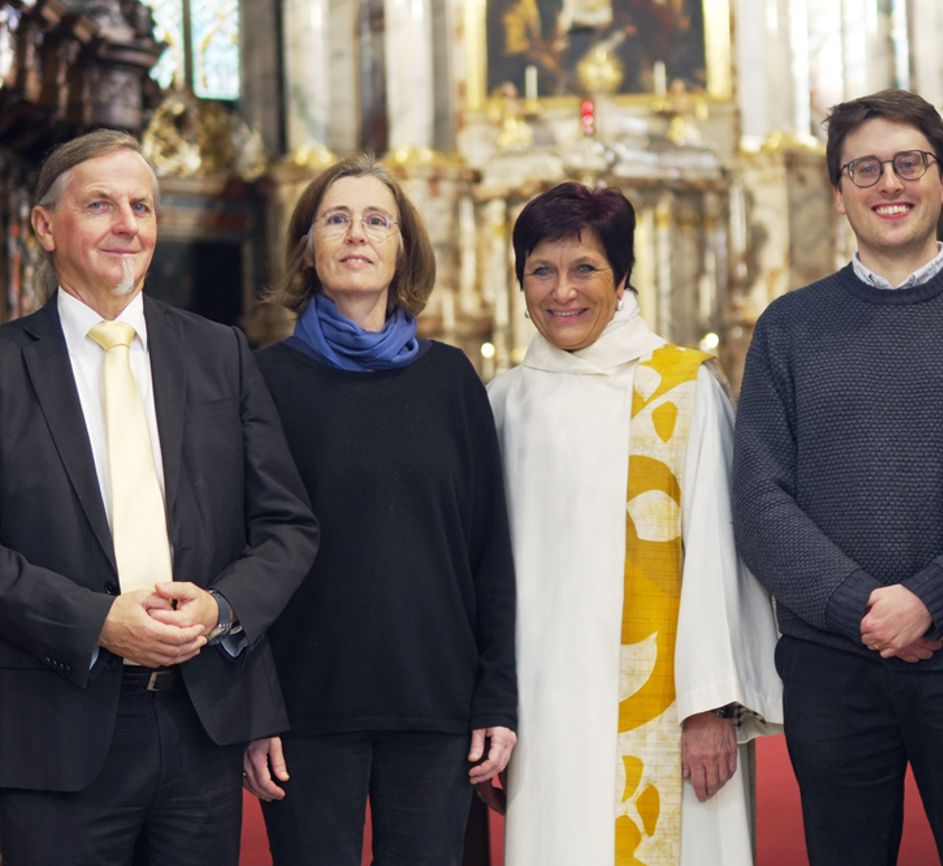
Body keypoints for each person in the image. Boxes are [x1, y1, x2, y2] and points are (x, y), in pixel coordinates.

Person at [732, 90, 943, 866]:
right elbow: (760, 497)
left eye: (910, 163)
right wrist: (863, 610)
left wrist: (930, 601)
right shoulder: (789, 326)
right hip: (834, 664)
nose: (889, 183)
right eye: (864, 168)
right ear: (837, 192)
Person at [0, 130, 318, 864]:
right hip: (52, 733)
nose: (128, 224)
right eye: (100, 204)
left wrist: (222, 609)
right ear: (45, 226)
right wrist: (94, 621)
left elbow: (286, 528)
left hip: (199, 727)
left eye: (142, 205)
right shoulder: (9, 367)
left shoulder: (220, 353)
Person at [484, 181, 782, 866]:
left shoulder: (680, 389)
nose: (564, 292)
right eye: (542, 270)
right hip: (543, 706)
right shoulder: (503, 402)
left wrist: (709, 707)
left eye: (585, 268)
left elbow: (718, 553)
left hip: (671, 711)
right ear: (519, 280)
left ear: (621, 280)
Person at [241, 154, 517, 866]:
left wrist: (497, 699)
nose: (355, 234)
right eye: (335, 218)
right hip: (304, 707)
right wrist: (251, 706)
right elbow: (237, 551)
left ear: (403, 248)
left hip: (435, 702)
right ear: (308, 245)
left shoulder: (451, 380)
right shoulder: (261, 380)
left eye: (375, 220)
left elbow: (490, 554)